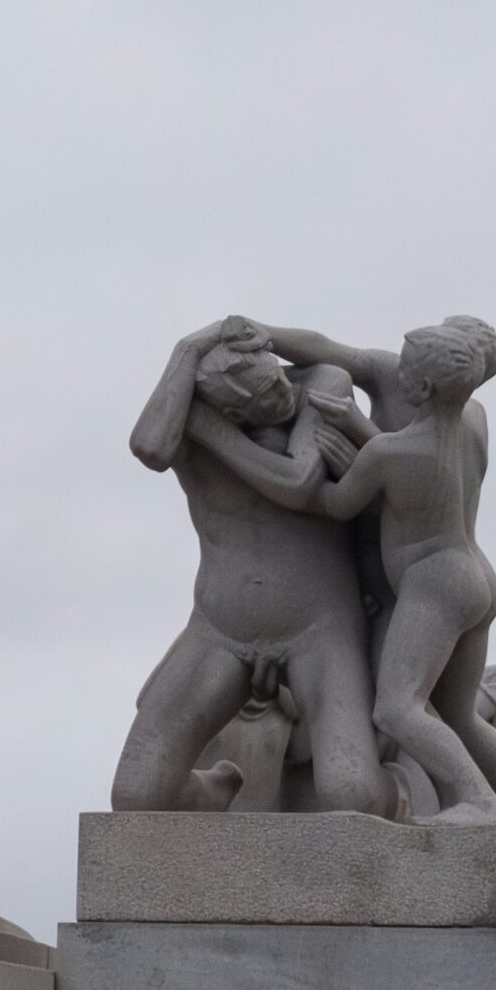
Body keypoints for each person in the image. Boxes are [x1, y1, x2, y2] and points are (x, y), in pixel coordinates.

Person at [207, 318, 496, 830]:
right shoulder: (472, 423)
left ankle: (480, 802)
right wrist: (358, 427)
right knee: (458, 714)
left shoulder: (387, 453)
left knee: (397, 709)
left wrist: (346, 453)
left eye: (405, 369)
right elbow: (422, 472)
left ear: (419, 387)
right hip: (476, 577)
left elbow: (331, 502)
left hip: (430, 585)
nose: (394, 371)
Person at [110, 317, 391, 817]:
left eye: (275, 379)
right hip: (221, 627)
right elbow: (150, 446)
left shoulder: (320, 385)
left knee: (350, 795)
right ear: (229, 407)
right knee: (137, 795)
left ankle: (405, 792)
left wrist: (212, 433)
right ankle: (212, 790)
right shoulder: (185, 418)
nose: (279, 396)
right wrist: (187, 347)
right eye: (259, 402)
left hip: (319, 626)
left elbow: (301, 480)